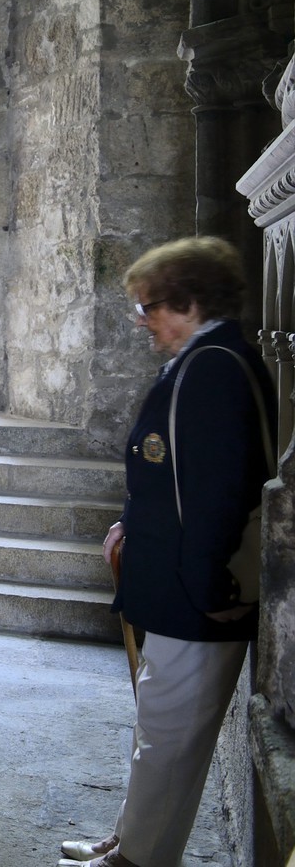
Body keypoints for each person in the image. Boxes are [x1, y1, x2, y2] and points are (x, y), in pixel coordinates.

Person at [62, 237, 271, 867]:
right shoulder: (199, 359)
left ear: (185, 302)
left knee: (171, 739)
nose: (141, 320)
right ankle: (131, 837)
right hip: (181, 585)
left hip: (198, 595)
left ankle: (142, 860)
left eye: (147, 307)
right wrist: (130, 524)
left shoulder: (213, 368)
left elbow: (215, 497)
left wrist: (201, 592)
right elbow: (169, 473)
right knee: (158, 727)